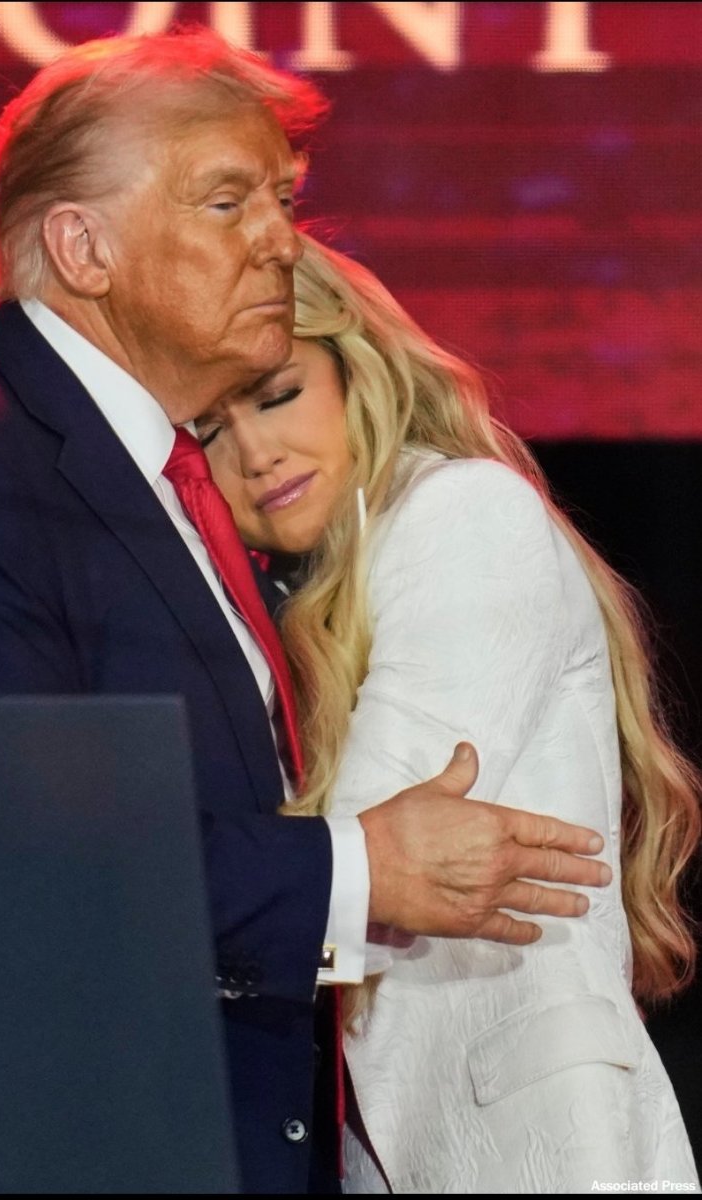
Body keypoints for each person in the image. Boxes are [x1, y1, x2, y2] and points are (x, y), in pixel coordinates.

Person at [0, 30, 610, 1194]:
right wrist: (356, 874)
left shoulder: (150, 471)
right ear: (83, 247)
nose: (280, 240)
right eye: (228, 202)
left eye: (281, 199)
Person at [197, 232, 701, 1192]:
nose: (259, 454)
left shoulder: (462, 514)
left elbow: (372, 840)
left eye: (277, 397)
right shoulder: (300, 597)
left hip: (532, 1143)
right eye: (212, 433)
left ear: (357, 373)